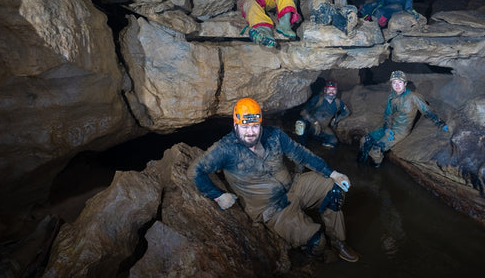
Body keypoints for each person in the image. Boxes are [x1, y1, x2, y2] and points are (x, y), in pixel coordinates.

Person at [191, 98, 359, 262]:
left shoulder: (274, 135)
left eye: (255, 126)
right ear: (235, 125)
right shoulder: (225, 149)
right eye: (245, 127)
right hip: (271, 207)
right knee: (317, 242)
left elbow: (301, 154)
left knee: (336, 189)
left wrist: (333, 173)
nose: (250, 132)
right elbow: (194, 171)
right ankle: (310, 258)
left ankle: (338, 241)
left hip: (294, 186)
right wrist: (218, 196)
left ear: (260, 124)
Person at [358, 71, 448, 167]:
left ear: (405, 83)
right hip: (388, 127)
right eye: (394, 82)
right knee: (364, 140)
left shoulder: (413, 97)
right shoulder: (391, 97)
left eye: (400, 82)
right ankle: (360, 164)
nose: (397, 85)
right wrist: (387, 128)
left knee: (375, 150)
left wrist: (441, 124)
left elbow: (428, 112)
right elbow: (387, 114)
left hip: (400, 131)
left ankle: (374, 169)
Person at [295, 80, 351, 149]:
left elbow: (346, 112)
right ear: (325, 90)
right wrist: (315, 122)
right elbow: (303, 112)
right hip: (310, 125)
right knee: (300, 123)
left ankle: (320, 152)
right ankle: (302, 146)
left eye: (334, 90)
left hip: (322, 128)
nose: (331, 92)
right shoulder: (318, 98)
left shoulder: (338, 102)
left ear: (336, 91)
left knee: (333, 142)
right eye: (329, 90)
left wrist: (335, 119)